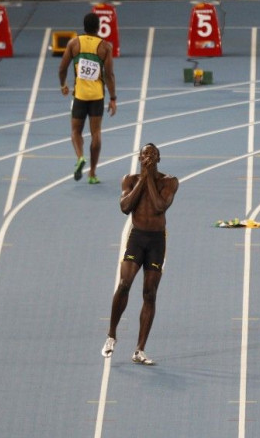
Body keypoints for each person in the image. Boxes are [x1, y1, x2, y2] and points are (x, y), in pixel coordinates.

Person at [101, 143, 179, 365]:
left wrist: (149, 178)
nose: (149, 157)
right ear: (139, 158)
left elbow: (158, 206)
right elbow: (125, 207)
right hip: (137, 238)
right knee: (124, 284)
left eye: (153, 155)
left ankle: (139, 349)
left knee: (149, 293)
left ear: (159, 159)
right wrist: (143, 178)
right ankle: (111, 335)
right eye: (145, 154)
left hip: (156, 241)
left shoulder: (169, 182)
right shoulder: (129, 180)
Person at [58, 13, 117, 184]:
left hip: (80, 96)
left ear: (84, 27)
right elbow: (109, 75)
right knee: (96, 133)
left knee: (76, 131)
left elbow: (62, 68)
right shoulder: (105, 47)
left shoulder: (74, 43)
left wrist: (63, 85)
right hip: (97, 96)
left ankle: (80, 157)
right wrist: (113, 98)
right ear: (99, 27)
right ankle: (92, 173)